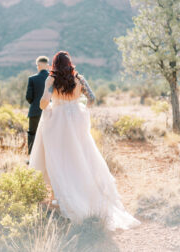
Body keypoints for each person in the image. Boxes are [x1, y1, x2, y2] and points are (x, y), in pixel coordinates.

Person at [29, 51, 141, 231]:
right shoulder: (79, 80)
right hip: (76, 122)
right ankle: (82, 194)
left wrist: (51, 106)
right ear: (69, 64)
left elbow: (43, 103)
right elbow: (92, 98)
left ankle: (55, 197)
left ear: (55, 65)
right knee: (79, 158)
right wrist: (81, 110)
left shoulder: (51, 81)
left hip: (57, 123)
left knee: (57, 159)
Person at [26, 56, 49, 159]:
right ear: (47, 66)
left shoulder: (32, 79)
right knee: (49, 134)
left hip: (35, 111)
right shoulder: (53, 79)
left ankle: (32, 158)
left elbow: (28, 97)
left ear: (38, 66)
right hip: (50, 111)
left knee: (32, 134)